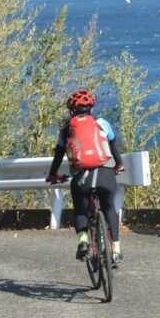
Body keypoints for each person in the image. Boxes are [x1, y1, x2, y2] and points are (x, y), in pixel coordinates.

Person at [45, 89, 125, 265]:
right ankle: (116, 249)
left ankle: (83, 241)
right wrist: (118, 165)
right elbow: (113, 147)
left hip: (82, 178)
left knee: (81, 210)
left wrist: (53, 175)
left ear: (72, 110)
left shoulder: (66, 129)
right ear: (91, 108)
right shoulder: (102, 123)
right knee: (109, 208)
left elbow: (58, 155)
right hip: (105, 174)